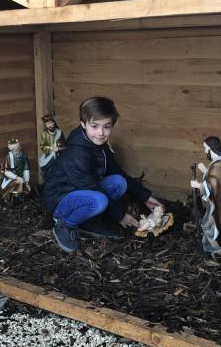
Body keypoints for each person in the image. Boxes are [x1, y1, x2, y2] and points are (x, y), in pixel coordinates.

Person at [42, 96, 163, 252]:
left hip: (81, 193)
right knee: (99, 199)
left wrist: (145, 197)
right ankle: (65, 224)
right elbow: (92, 188)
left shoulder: (100, 146)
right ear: (83, 124)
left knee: (119, 182)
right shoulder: (77, 152)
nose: (100, 133)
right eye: (94, 126)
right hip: (61, 199)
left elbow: (118, 172)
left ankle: (87, 222)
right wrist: (120, 215)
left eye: (106, 127)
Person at [190, 136, 221, 255]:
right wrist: (206, 172)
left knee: (210, 226)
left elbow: (215, 186)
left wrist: (199, 186)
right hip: (220, 202)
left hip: (218, 205)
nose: (204, 151)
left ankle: (218, 250)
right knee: (211, 226)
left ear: (211, 149)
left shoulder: (218, 166)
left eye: (205, 148)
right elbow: (217, 180)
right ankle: (213, 249)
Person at [0, 138, 31, 202]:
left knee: (23, 187)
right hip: (11, 178)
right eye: (13, 149)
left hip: (21, 176)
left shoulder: (23, 155)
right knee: (17, 183)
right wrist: (16, 177)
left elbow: (26, 168)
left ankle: (20, 198)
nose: (15, 150)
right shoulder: (8, 157)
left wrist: (27, 182)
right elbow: (6, 171)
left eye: (16, 148)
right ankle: (10, 198)